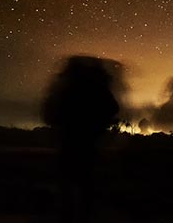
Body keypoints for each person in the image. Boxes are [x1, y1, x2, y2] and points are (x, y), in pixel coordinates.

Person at [42, 55, 121, 223]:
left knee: (68, 188)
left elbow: (49, 114)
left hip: (68, 143)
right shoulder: (98, 88)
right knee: (87, 187)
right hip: (90, 144)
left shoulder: (65, 88)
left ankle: (69, 216)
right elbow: (113, 108)